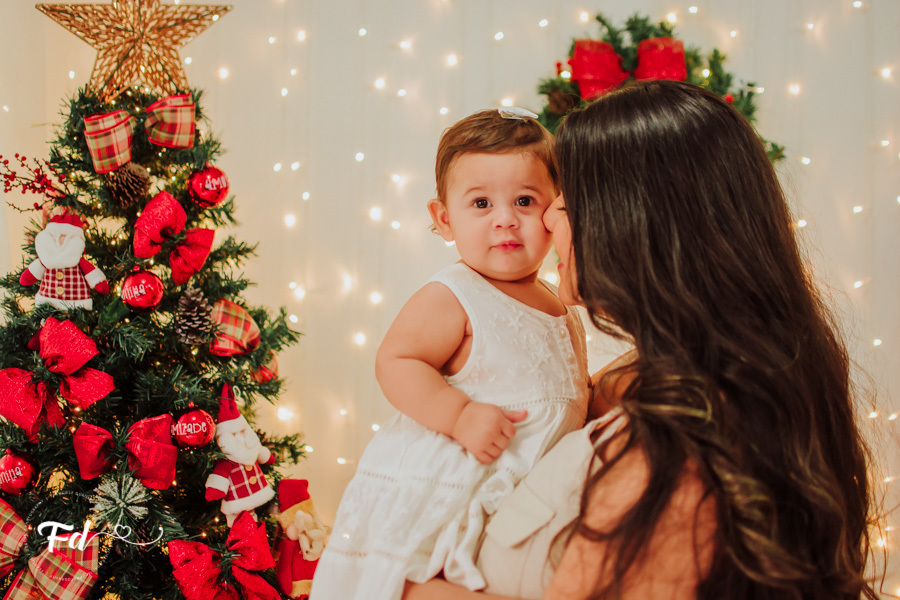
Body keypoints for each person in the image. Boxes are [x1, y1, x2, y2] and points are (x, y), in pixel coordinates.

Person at [403, 79, 876, 599]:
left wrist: (400, 589)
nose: (547, 217)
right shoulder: (671, 379)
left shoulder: (675, 459)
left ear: (633, 225)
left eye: (563, 200)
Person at [309, 108, 592, 600]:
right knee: (414, 577)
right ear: (444, 219)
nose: (505, 218)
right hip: (448, 484)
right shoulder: (456, 294)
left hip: (517, 493)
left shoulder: (562, 304)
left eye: (524, 200)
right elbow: (397, 361)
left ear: (553, 211)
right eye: (481, 203)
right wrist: (458, 413)